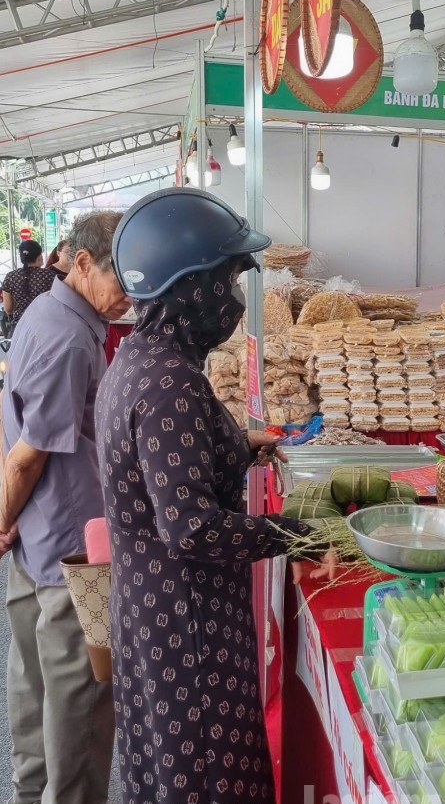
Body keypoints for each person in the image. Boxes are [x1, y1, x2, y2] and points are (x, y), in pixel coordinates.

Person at [95, 188, 335, 804]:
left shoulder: (139, 360)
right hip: (187, 629)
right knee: (203, 778)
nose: (232, 301)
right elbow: (191, 528)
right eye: (226, 282)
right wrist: (295, 533)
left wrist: (236, 444)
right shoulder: (170, 381)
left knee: (168, 774)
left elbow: (163, 474)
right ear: (189, 286)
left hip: (153, 615)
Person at [0, 211, 128, 804]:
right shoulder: (68, 337)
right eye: (122, 279)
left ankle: (31, 792)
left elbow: (0, 415)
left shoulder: (49, 313)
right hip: (72, 548)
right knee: (79, 695)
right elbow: (26, 457)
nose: (128, 297)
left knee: (33, 683)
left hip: (38, 535)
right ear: (80, 262)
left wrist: (8, 519)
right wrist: (2, 518)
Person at [0, 239, 54, 335]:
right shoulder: (49, 275)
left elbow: (8, 309)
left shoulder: (11, 276)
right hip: (44, 327)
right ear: (39, 257)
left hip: (19, 328)